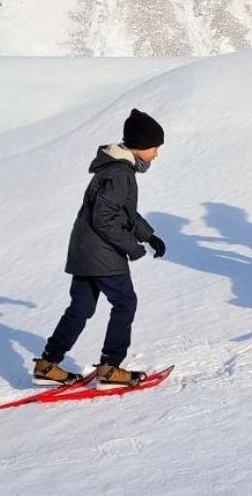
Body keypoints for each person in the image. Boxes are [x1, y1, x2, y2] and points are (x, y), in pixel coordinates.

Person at [33, 110, 166, 389]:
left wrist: (149, 236)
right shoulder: (121, 173)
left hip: (84, 249)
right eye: (155, 147)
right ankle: (110, 367)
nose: (156, 154)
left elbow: (123, 212)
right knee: (125, 302)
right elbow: (104, 218)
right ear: (140, 146)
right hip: (102, 253)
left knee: (81, 306)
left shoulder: (113, 168)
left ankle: (48, 364)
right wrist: (133, 248)